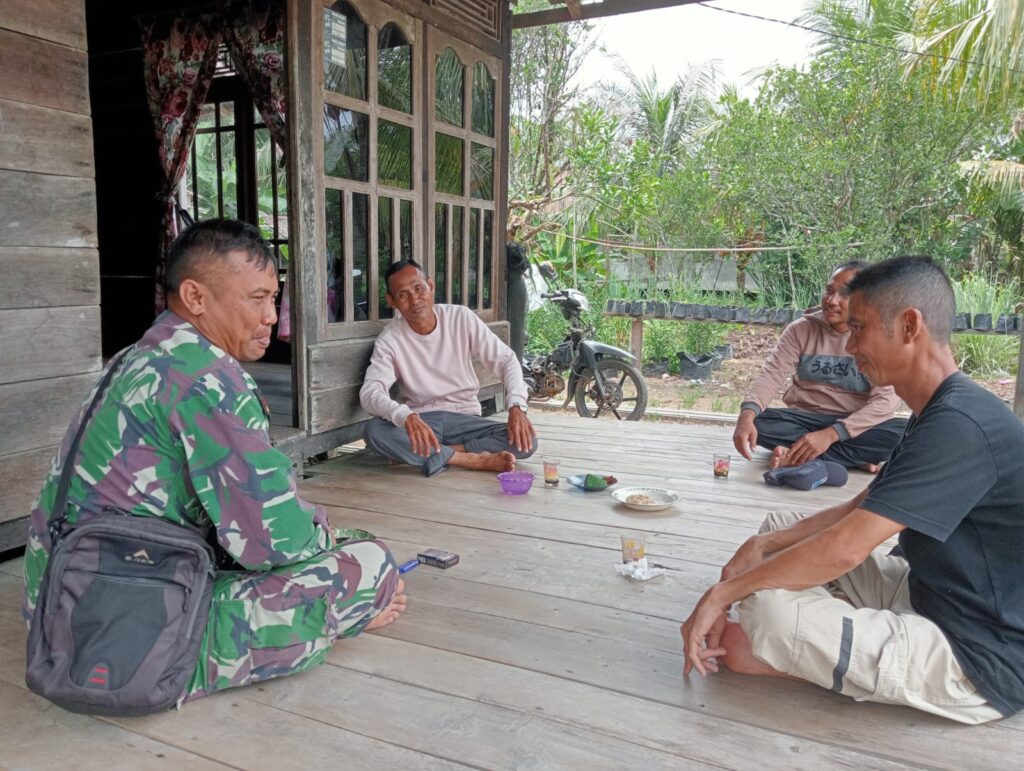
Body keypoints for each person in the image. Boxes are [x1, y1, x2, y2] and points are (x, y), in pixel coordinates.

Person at [23, 219, 406, 705]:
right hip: (120, 633)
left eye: (274, 298)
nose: (272, 316)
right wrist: (336, 547)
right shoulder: (207, 377)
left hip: (54, 597)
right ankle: (334, 618)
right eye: (257, 298)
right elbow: (275, 541)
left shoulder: (134, 356)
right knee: (369, 564)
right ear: (196, 297)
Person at [681, 255, 1024, 724]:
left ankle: (796, 658)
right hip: (929, 589)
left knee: (767, 615)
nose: (851, 341)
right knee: (778, 536)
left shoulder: (961, 424)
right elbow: (864, 504)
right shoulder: (937, 410)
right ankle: (823, 638)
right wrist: (763, 546)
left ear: (908, 326)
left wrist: (723, 594)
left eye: (860, 327)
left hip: (976, 654)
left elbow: (846, 548)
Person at [360, 259, 538, 476]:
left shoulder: (460, 318)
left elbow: (505, 359)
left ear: (431, 286)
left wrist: (517, 406)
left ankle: (439, 454)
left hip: (466, 419)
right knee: (374, 431)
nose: (415, 299)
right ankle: (470, 459)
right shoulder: (390, 339)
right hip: (423, 423)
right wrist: (405, 416)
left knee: (526, 440)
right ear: (392, 301)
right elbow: (370, 392)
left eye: (419, 288)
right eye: (403, 295)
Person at [733, 261, 907, 471]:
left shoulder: (880, 338)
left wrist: (831, 434)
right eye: (829, 291)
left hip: (855, 424)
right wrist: (747, 416)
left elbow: (885, 402)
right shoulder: (800, 330)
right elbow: (771, 375)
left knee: (904, 431)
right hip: (805, 419)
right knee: (760, 422)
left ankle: (798, 455)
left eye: (844, 294)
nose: (831, 301)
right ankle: (854, 458)